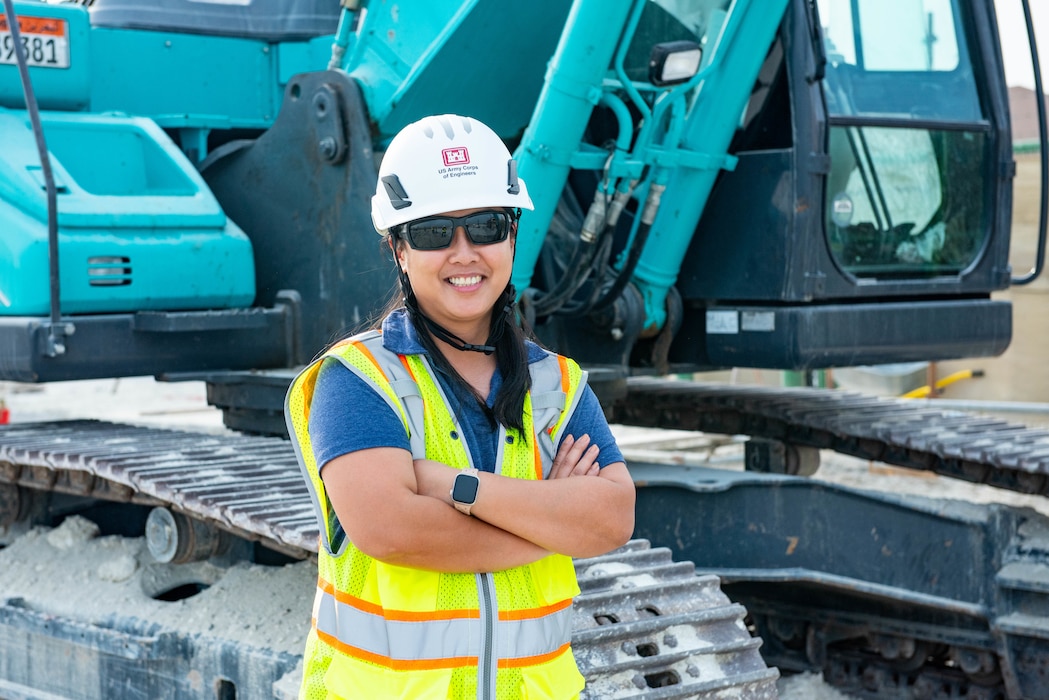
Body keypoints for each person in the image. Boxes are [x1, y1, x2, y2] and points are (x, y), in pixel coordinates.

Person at [286, 114, 635, 699]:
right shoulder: (358, 379)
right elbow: (392, 530)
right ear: (398, 247)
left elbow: (612, 519)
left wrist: (455, 486)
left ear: (512, 235)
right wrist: (555, 521)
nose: (464, 252)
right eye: (433, 233)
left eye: (486, 226)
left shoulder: (556, 385)